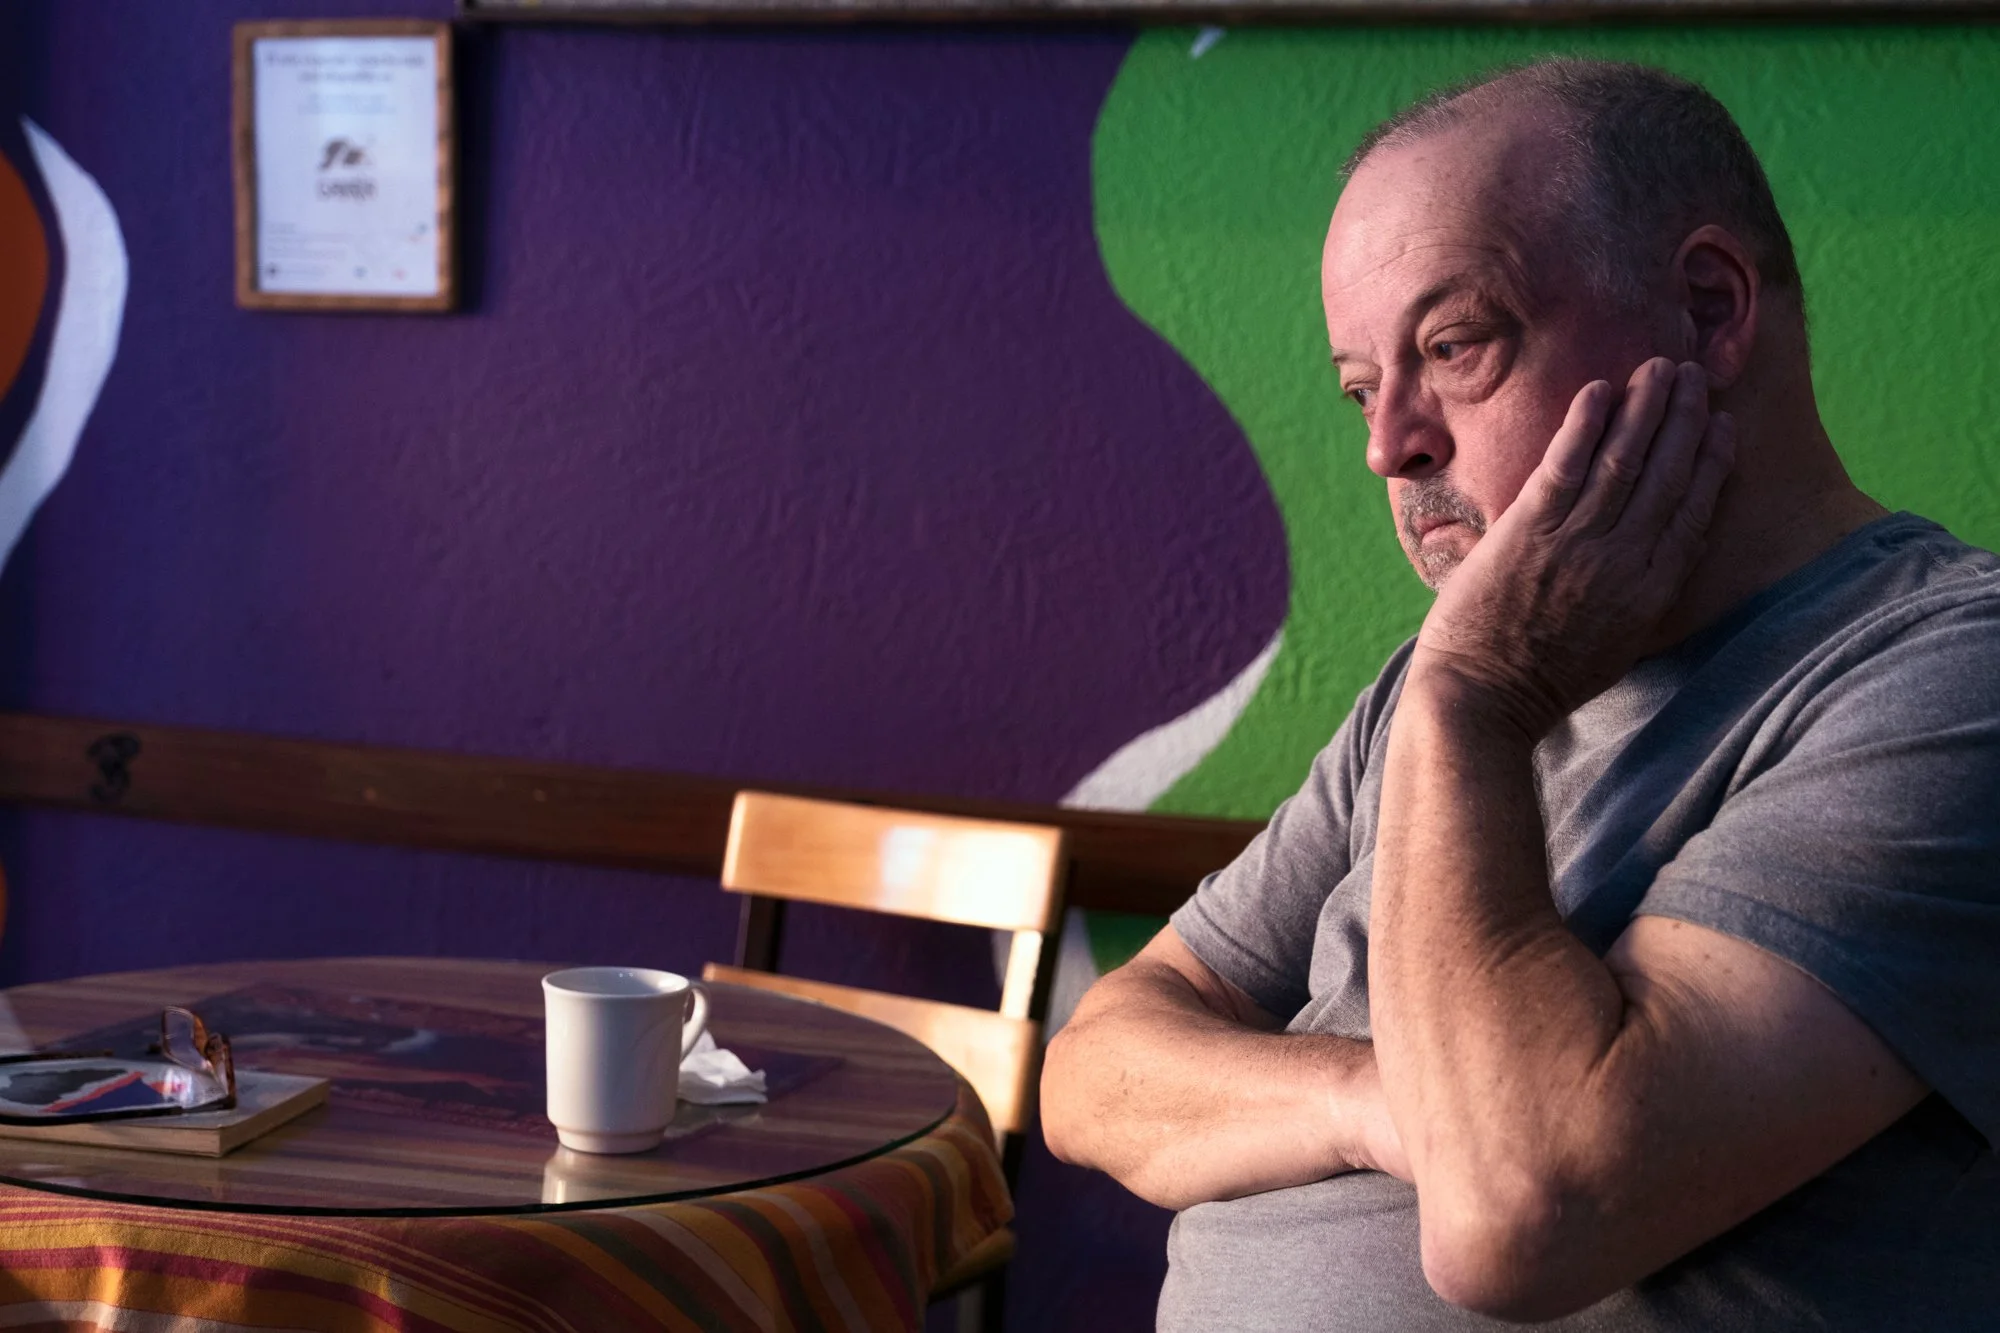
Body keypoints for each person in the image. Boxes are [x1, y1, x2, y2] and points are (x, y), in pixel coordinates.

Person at [1040, 58, 2000, 1330]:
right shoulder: (1435, 687)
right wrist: (1372, 1105)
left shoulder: (1942, 671)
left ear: (1709, 312)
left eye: (1453, 346)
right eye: (1358, 389)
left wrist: (1474, 700)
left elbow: (1519, 1215)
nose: (1390, 446)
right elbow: (1094, 1073)